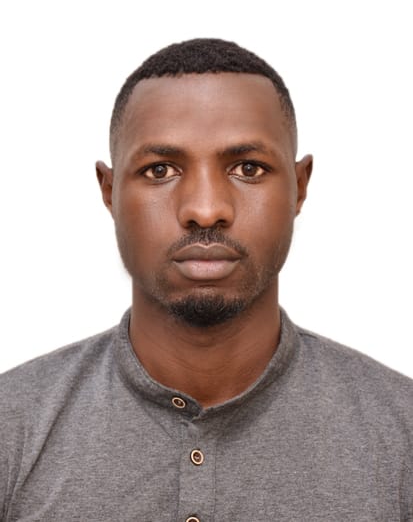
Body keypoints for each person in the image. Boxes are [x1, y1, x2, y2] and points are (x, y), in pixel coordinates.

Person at [1, 38, 412, 522]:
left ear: (299, 187)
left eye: (248, 168)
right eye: (160, 170)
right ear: (109, 192)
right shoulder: (12, 426)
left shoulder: (401, 435)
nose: (205, 209)